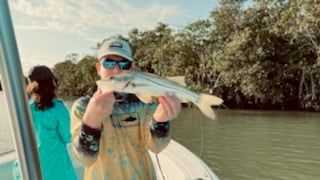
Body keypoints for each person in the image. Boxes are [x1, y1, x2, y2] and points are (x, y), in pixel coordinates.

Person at [70, 38, 182, 179]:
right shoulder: (82, 107)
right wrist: (90, 124)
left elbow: (156, 147)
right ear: (99, 68)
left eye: (124, 64)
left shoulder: (144, 102)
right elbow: (84, 160)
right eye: (109, 63)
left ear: (132, 70)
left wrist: (161, 122)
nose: (116, 70)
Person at [12, 65, 77, 180]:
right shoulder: (58, 108)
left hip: (28, 170)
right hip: (55, 169)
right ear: (52, 83)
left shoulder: (24, 109)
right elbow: (68, 136)